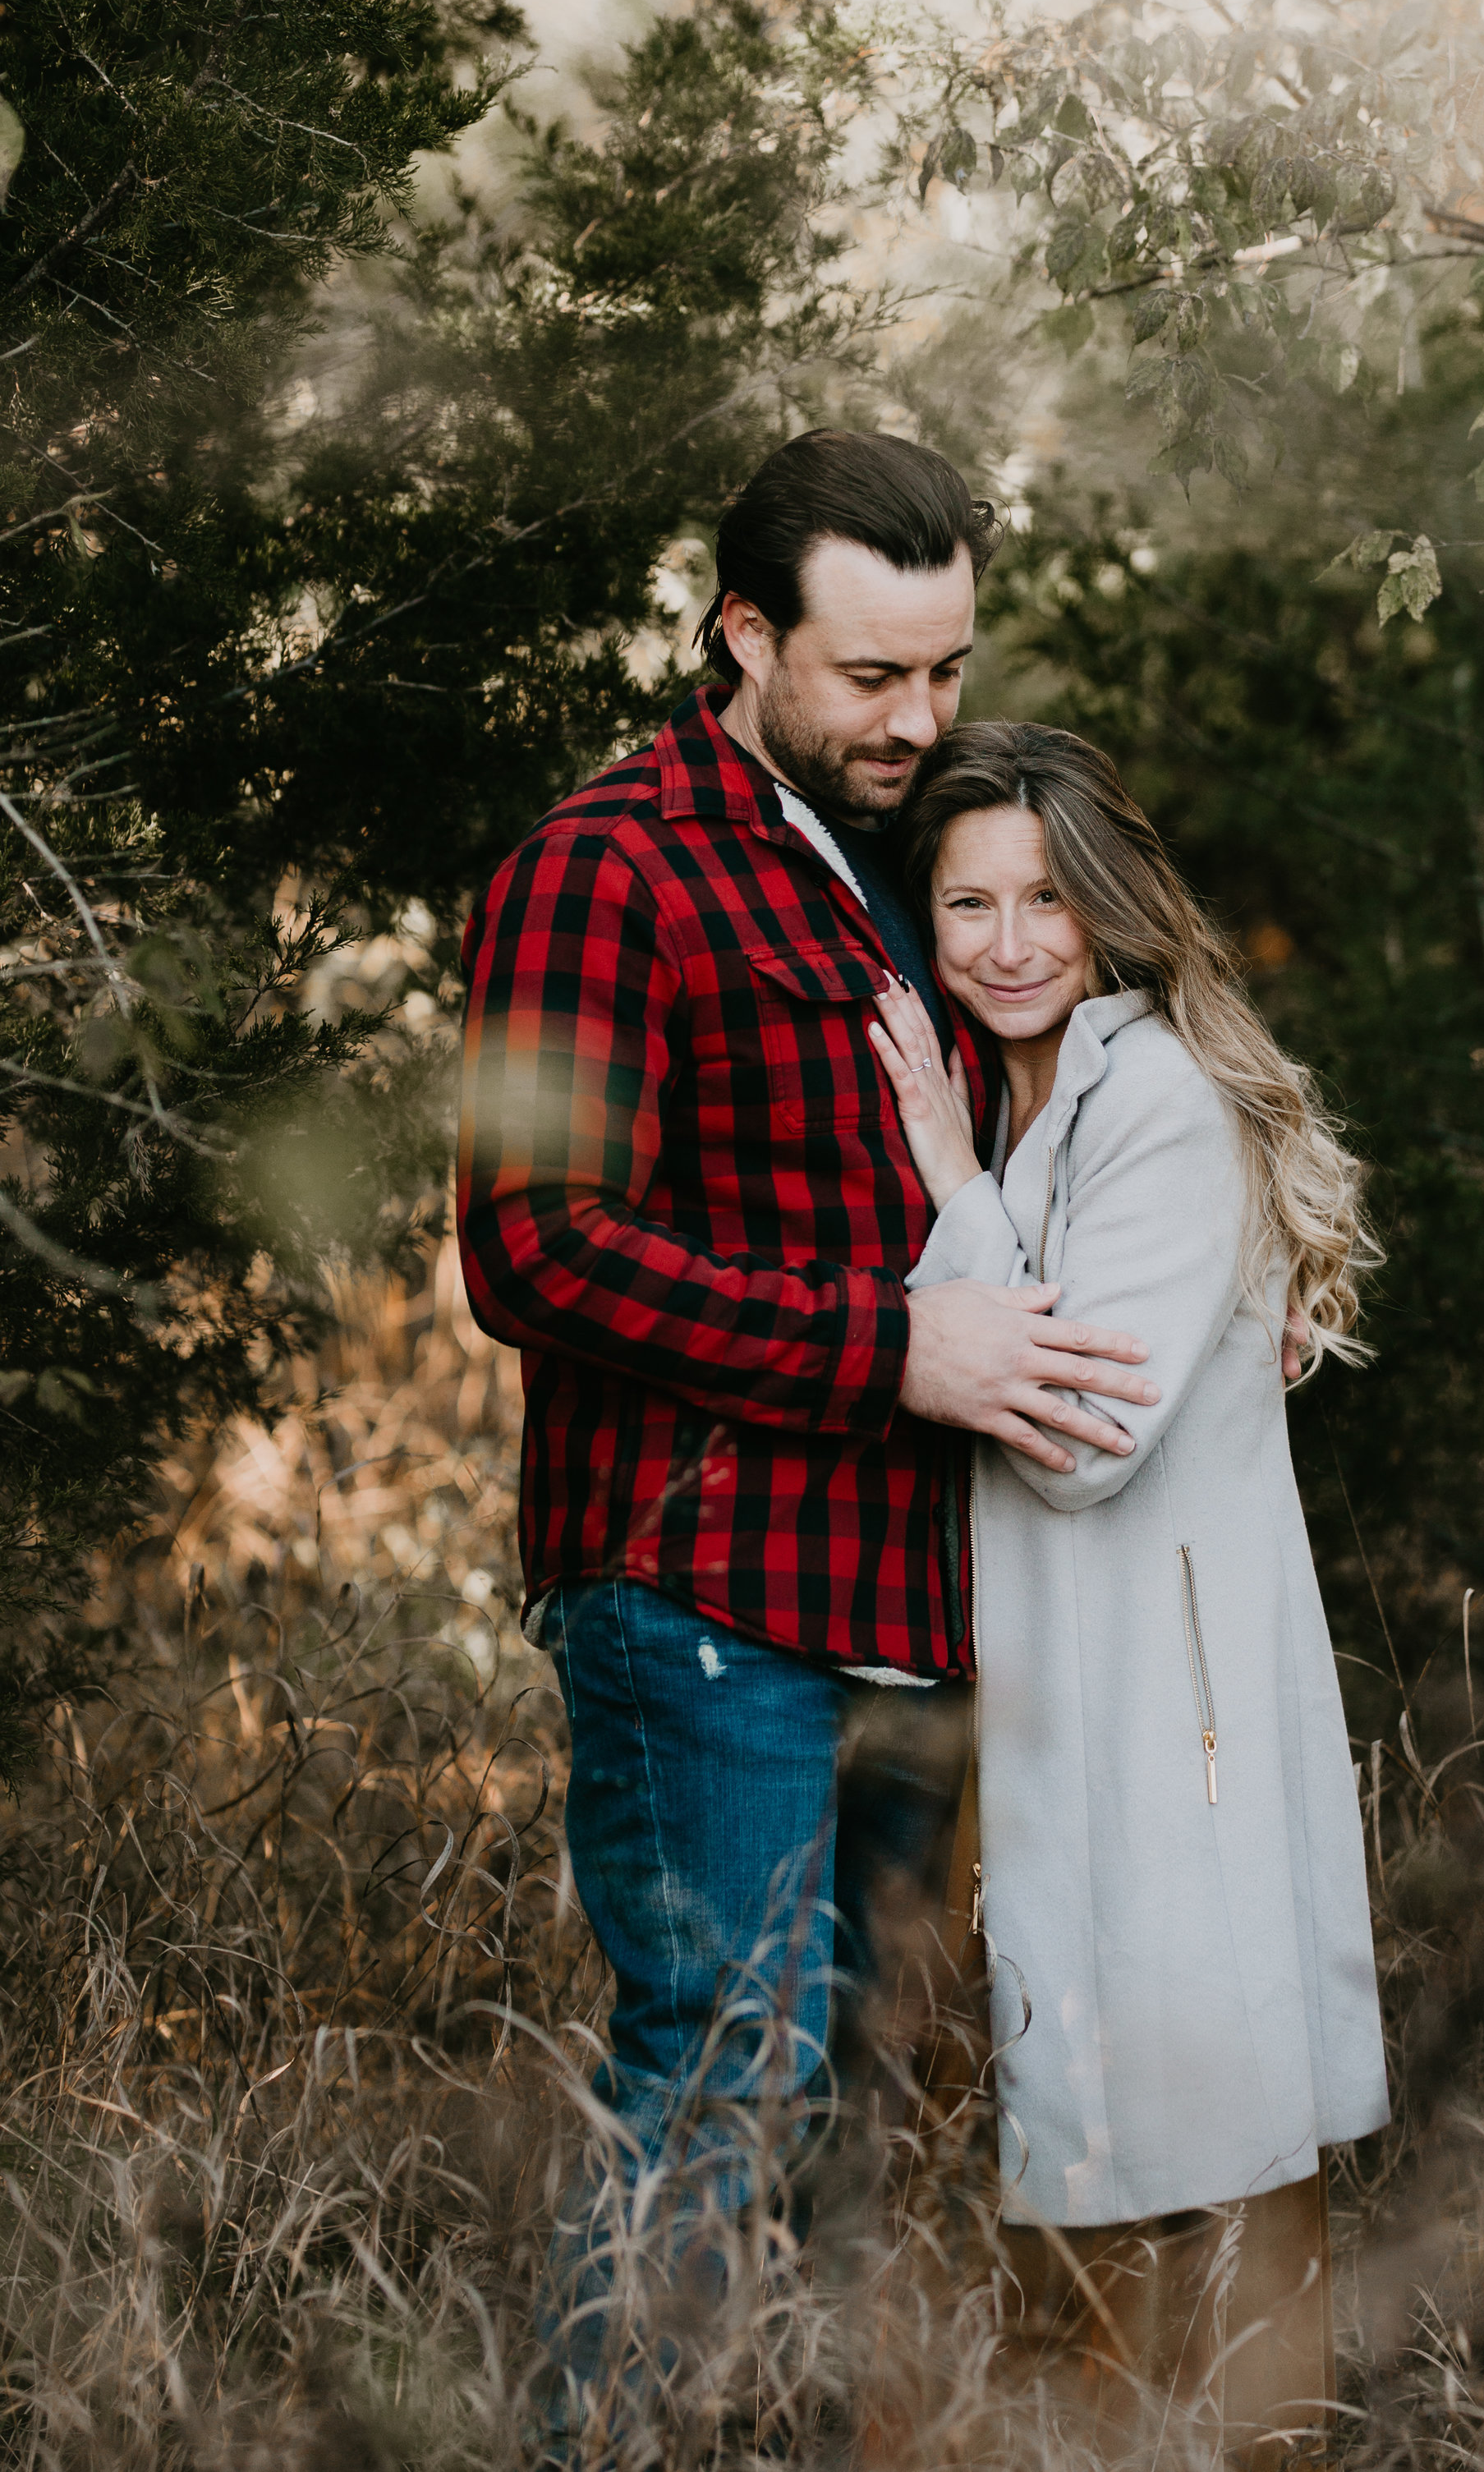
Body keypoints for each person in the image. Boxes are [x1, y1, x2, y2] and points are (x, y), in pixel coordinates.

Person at [456, 436, 1163, 2443]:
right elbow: (534, 1249)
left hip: (909, 1609)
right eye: (870, 676)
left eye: (943, 668)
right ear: (743, 635)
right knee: (717, 2075)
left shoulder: (911, 856)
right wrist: (890, 1357)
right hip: (700, 1598)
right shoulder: (603, 868)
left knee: (845, 2108)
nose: (917, 718)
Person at [866, 719, 1390, 2466]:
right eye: (964, 905)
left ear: (1107, 910)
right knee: (1118, 2156)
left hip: (1174, 1733)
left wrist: (947, 1194)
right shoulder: (1056, 1099)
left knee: (1208, 2170)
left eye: (1042, 899)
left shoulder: (1149, 1099)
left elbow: (1075, 1438)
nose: (1007, 940)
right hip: (1087, 1713)